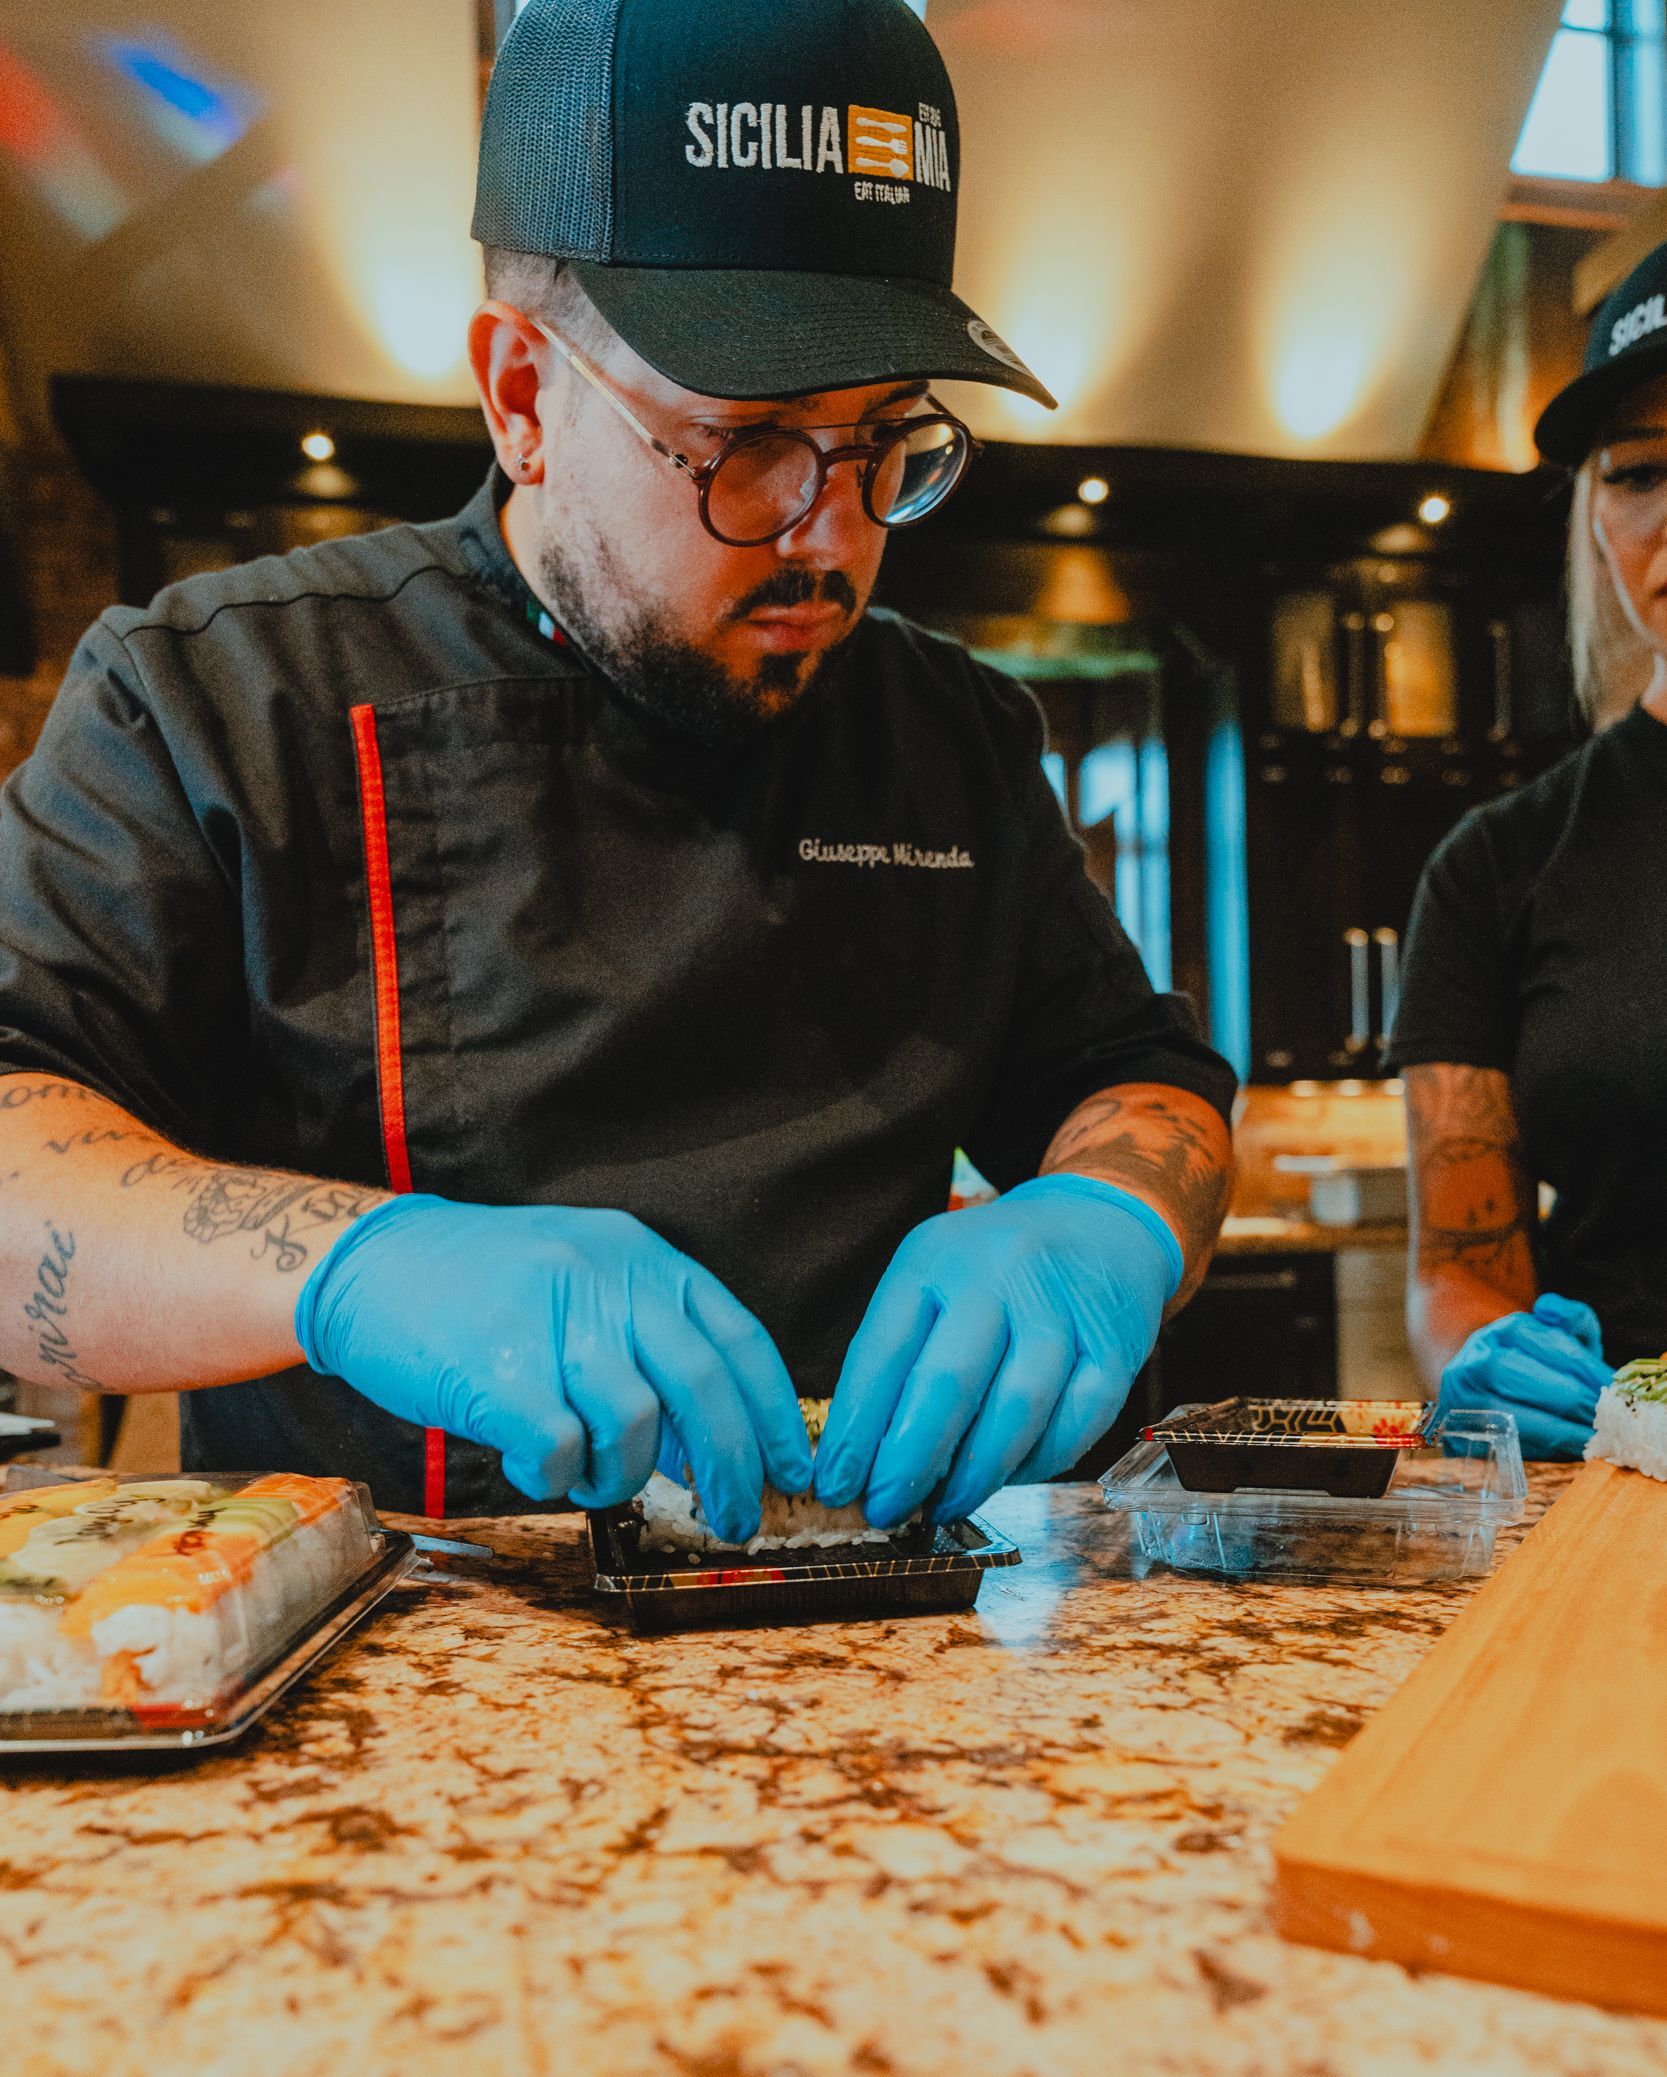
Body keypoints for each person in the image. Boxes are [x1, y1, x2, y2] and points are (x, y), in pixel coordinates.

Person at [0, 0, 1235, 1534]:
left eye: (883, 441)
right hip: (400, 1660)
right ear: (522, 397)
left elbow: (1134, 1080)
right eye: (749, 442)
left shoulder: (947, 737)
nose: (830, 534)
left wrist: (1105, 1214)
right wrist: (351, 1273)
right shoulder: (214, 700)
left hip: (879, 1633)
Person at [1390, 235, 1667, 1456]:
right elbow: (1457, 1270)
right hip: (1621, 1499)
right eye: (1639, 474)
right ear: (1593, 520)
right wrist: (1479, 1361)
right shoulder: (1496, 865)